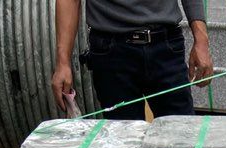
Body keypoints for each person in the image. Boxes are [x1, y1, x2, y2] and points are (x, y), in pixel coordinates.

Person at [51, 0, 213, 120]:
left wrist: (201, 41)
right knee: (123, 145)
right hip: (112, 53)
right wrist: (63, 63)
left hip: (165, 47)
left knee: (181, 137)